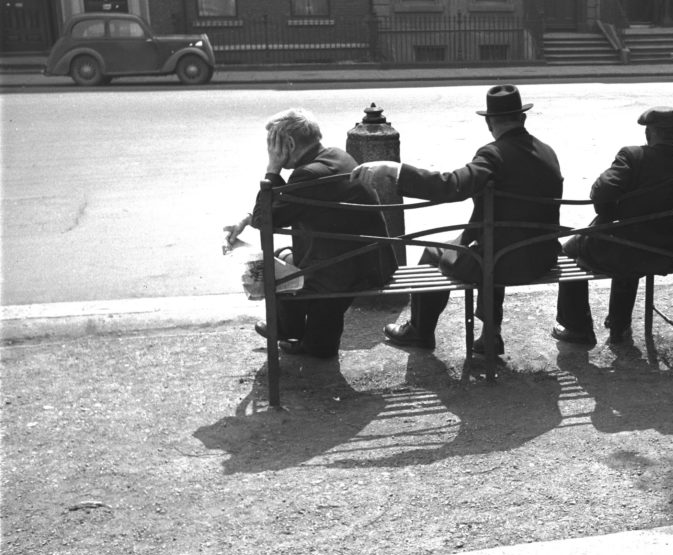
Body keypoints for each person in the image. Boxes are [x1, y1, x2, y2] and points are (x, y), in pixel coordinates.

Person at [352, 85, 563, 355]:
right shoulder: (547, 151)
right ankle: (490, 334)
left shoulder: (493, 154)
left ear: (489, 123)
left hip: (502, 261)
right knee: (493, 241)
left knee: (434, 251)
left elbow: (452, 186)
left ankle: (420, 331)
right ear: (523, 118)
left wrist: (396, 171)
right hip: (541, 257)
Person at [223, 108, 397, 358]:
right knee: (295, 257)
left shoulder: (309, 174)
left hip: (348, 271)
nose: (271, 151)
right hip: (370, 262)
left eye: (272, 144)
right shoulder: (335, 156)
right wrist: (248, 218)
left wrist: (273, 169)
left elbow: (267, 220)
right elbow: (284, 208)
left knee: (276, 263)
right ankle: (316, 342)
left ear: (289, 143)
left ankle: (286, 327)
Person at [551, 107, 673, 348]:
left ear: (649, 133)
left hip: (624, 249)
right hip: (663, 252)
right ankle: (620, 325)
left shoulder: (632, 156)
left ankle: (577, 327)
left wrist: (608, 213)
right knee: (631, 241)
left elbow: (602, 193)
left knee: (568, 252)